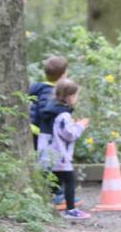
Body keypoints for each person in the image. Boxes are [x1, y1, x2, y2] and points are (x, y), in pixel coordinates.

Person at [39, 78, 91, 221]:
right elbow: (69, 135)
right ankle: (71, 209)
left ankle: (47, 208)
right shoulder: (63, 114)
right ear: (70, 96)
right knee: (69, 181)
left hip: (47, 154)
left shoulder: (49, 110)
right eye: (75, 95)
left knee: (53, 183)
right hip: (60, 155)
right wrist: (80, 125)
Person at [30, 55, 69, 205]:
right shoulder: (49, 91)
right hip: (41, 133)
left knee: (48, 162)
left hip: (37, 132)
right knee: (51, 163)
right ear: (64, 74)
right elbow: (45, 110)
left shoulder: (40, 87)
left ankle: (57, 192)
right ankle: (57, 194)